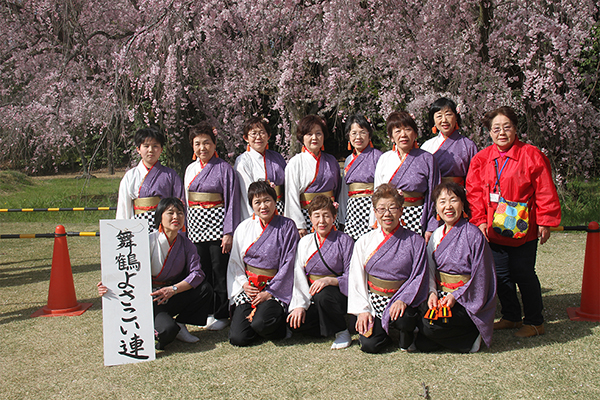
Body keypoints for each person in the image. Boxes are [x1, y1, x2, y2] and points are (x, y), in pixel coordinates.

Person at [466, 106, 561, 338]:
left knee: (524, 273)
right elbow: (474, 192)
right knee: (500, 275)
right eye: (496, 128)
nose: (501, 133)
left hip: (523, 226)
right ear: (489, 132)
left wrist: (545, 220)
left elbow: (544, 190)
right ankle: (511, 316)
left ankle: (535, 321)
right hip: (493, 226)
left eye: (506, 127)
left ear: (516, 129)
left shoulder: (531, 155)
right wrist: (479, 220)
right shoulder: (481, 158)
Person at [98, 197, 213, 350]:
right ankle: (154, 324)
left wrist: (173, 289)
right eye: (170, 213)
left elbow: (197, 273)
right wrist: (108, 284)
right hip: (150, 297)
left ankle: (180, 323)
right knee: (167, 331)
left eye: (180, 213)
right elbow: (124, 269)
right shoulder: (146, 240)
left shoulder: (186, 244)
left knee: (205, 289)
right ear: (160, 216)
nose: (176, 217)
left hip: (172, 294)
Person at [348, 184, 429, 353]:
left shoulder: (415, 241)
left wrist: (403, 299)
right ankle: (386, 334)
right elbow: (356, 278)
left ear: (401, 210)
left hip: (401, 300)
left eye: (392, 208)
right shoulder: (364, 241)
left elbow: (419, 275)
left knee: (405, 319)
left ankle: (405, 334)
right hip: (375, 300)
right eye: (381, 209)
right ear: (375, 212)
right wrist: (363, 310)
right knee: (370, 346)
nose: (387, 214)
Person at [416, 182, 496, 353]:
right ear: (436, 208)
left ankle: (471, 335)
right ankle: (459, 337)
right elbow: (430, 269)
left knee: (429, 328)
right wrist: (432, 292)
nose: (448, 206)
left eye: (453, 200)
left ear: (463, 204)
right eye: (442, 201)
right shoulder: (436, 235)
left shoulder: (474, 235)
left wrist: (455, 296)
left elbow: (482, 277)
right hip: (440, 295)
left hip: (466, 299)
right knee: (422, 337)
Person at [227, 181, 300, 346]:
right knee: (238, 338)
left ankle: (276, 325)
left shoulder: (287, 226)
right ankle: (259, 322)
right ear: (251, 205)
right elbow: (235, 262)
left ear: (275, 201)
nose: (263, 206)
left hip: (274, 288)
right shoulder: (244, 227)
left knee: (261, 323)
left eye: (267, 200)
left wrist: (269, 292)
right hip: (251, 287)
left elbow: (288, 264)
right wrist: (244, 284)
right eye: (257, 202)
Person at [184, 123, 240, 331]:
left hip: (217, 224)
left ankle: (222, 313)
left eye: (206, 143)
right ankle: (206, 311)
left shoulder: (224, 168)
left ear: (215, 144)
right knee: (202, 269)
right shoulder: (190, 169)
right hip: (195, 224)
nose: (202, 148)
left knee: (220, 270)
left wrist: (228, 232)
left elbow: (232, 201)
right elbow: (185, 200)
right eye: (197, 143)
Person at [287, 195, 354, 349]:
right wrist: (300, 305)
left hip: (336, 294)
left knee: (323, 295)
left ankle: (341, 331)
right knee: (295, 324)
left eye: (326, 216)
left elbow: (352, 275)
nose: (322, 221)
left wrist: (330, 281)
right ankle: (327, 325)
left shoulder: (345, 241)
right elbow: (298, 275)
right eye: (317, 216)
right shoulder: (305, 242)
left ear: (334, 217)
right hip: (312, 294)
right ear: (310, 218)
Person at [374, 111, 440, 241]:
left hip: (416, 215)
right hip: (389, 215)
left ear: (415, 134)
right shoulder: (384, 159)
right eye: (397, 131)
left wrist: (431, 226)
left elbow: (434, 195)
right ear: (391, 137)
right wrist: (376, 221)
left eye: (408, 129)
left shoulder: (427, 159)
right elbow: (377, 195)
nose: (403, 134)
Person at [116, 126, 184, 233]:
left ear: (161, 149)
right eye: (146, 146)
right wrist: (124, 229)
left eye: (155, 146)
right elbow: (124, 208)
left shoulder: (171, 175)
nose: (151, 150)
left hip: (164, 226)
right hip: (137, 227)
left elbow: (179, 204)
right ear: (138, 149)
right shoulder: (130, 176)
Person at [285, 115, 341, 237]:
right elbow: (291, 195)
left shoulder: (332, 161)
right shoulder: (295, 163)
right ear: (302, 137)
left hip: (329, 215)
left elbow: (337, 191)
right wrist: (299, 224)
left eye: (318, 133)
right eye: (309, 134)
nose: (314, 138)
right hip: (307, 215)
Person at [339, 114, 382, 241]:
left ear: (369, 135)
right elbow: (344, 192)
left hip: (371, 207)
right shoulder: (348, 160)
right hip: (352, 209)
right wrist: (342, 216)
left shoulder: (378, 157)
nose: (358, 137)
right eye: (354, 133)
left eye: (362, 132)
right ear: (349, 136)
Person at [234, 116, 287, 220]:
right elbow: (247, 194)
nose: (258, 137)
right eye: (253, 133)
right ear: (246, 138)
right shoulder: (243, 161)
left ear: (268, 136)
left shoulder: (277, 157)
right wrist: (255, 218)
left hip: (280, 208)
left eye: (262, 133)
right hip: (260, 210)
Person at [421, 98, 478, 186]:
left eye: (448, 115)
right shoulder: (427, 146)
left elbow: (475, 177)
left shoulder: (468, 145)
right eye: (439, 116)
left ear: (456, 117)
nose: (444, 120)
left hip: (458, 192)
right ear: (433, 120)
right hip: (434, 192)